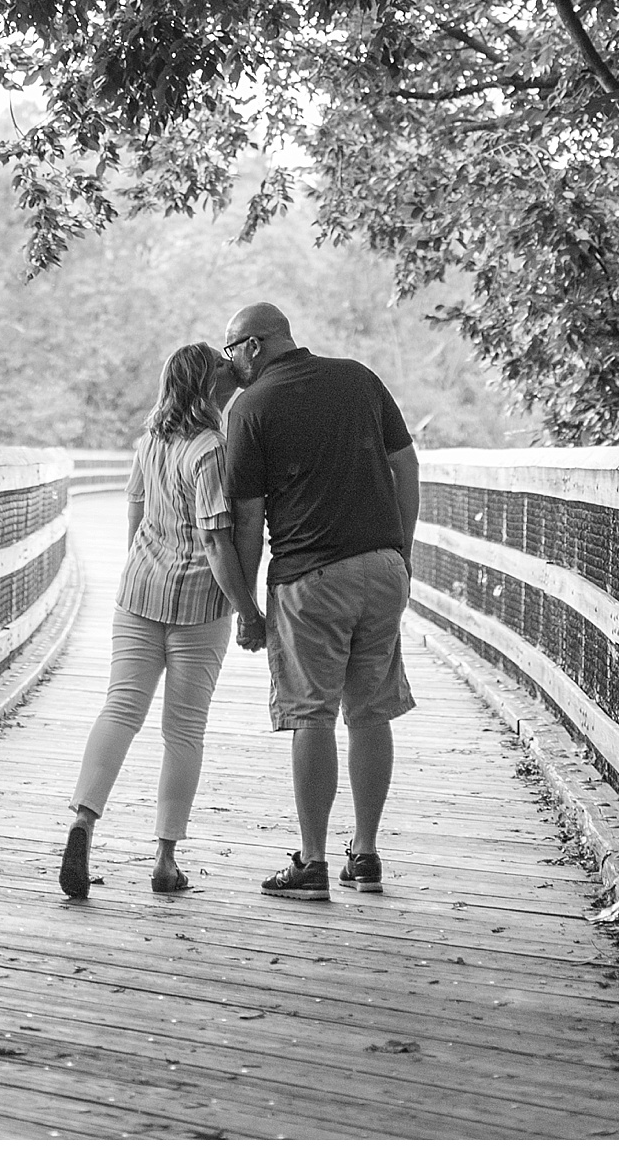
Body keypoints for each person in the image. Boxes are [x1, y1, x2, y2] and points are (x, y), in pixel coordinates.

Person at [221, 300, 419, 900]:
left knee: (311, 716)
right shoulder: (358, 377)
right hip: (383, 569)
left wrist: (248, 608)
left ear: (255, 345)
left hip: (310, 580)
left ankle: (311, 863)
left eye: (232, 349)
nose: (230, 362)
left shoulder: (250, 407)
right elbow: (406, 465)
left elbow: (249, 519)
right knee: (371, 711)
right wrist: (400, 551)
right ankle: (365, 854)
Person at [59, 341, 265, 899]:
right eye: (223, 370)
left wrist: (137, 574)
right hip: (199, 603)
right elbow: (217, 541)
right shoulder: (212, 451)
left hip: (139, 594)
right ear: (207, 385)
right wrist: (249, 612)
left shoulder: (149, 441)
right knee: (184, 730)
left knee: (119, 709)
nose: (231, 374)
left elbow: (134, 512)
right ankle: (165, 861)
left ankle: (83, 820)